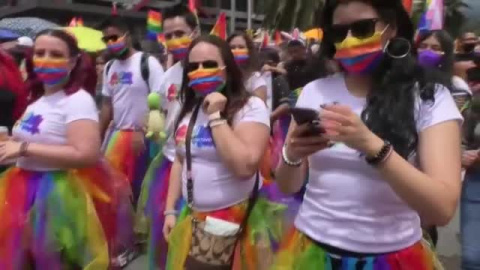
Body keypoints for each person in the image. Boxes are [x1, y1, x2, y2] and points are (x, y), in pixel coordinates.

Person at [273, 0, 462, 268]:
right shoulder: (314, 91)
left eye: (362, 28)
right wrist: (292, 153)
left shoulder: (429, 97)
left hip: (392, 256)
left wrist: (372, 146)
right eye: (339, 32)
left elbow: (441, 210)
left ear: (392, 28)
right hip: (310, 251)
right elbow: (287, 185)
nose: (349, 40)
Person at [0, 29, 132, 269]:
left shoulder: (78, 100)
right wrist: (11, 143)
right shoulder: (37, 99)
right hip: (23, 188)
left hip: (57, 195)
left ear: (73, 62)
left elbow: (86, 154)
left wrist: (24, 147)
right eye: (40, 53)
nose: (46, 59)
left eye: (56, 54)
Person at [163, 35, 282, 270]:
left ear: (227, 68)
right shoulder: (189, 108)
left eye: (208, 65)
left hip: (232, 219)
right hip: (192, 215)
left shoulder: (250, 107)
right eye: (193, 67)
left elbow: (245, 166)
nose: (200, 71)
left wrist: (216, 117)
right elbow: (180, 160)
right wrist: (169, 210)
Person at [135, 4, 200, 268]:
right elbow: (161, 112)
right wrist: (152, 127)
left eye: (180, 33)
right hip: (170, 164)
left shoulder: (213, 70)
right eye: (169, 35)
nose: (174, 41)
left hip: (202, 166)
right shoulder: (168, 76)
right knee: (168, 240)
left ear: (195, 32)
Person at [99, 16, 165, 203]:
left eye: (114, 37)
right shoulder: (109, 67)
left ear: (127, 36)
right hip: (117, 140)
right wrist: (98, 138)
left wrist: (141, 129)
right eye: (106, 39)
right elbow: (106, 105)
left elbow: (159, 101)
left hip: (145, 139)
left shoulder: (147, 62)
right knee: (117, 194)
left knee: (143, 193)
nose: (111, 43)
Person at [228, 32, 268, 102]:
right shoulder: (223, 76)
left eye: (241, 47)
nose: (236, 50)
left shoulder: (255, 79)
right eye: (232, 47)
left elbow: (260, 108)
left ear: (249, 51)